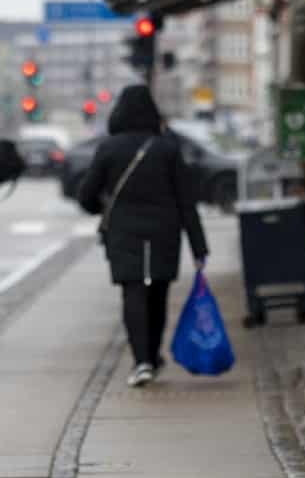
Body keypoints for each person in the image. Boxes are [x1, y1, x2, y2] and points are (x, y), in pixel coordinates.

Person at [78, 84, 208, 387]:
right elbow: (186, 201)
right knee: (158, 293)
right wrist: (199, 246)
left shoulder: (109, 148)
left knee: (133, 292)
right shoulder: (167, 149)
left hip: (124, 232)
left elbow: (86, 196)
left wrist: (106, 206)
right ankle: (153, 353)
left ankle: (141, 361)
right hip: (164, 231)